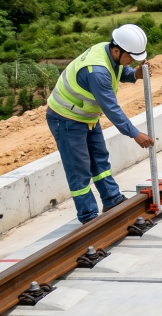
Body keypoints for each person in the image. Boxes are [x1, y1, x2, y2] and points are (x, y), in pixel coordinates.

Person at [46, 24, 154, 224]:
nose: (131, 61)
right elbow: (112, 109)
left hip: (86, 117)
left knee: (99, 160)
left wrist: (135, 74)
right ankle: (88, 217)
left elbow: (119, 70)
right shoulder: (96, 71)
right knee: (79, 169)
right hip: (66, 119)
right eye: (130, 56)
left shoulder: (109, 52)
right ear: (117, 50)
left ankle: (112, 199)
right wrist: (134, 134)